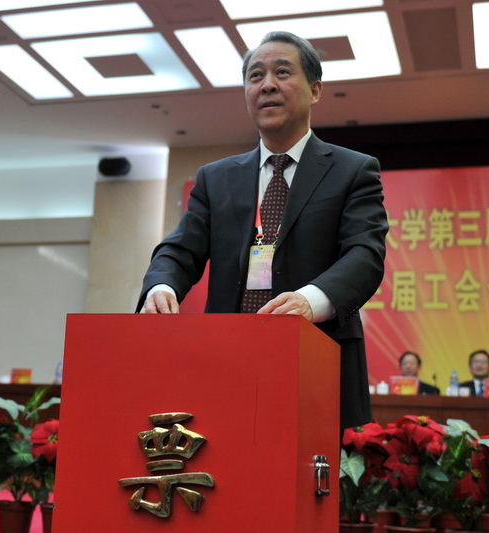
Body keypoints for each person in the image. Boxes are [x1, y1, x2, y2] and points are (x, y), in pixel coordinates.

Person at [137, 31, 389, 429]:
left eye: (282, 72)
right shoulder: (216, 178)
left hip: (317, 360)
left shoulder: (353, 170)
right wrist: (161, 288)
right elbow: (179, 250)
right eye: (255, 76)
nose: (267, 84)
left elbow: (364, 255)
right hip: (224, 363)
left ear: (315, 90)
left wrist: (309, 302)